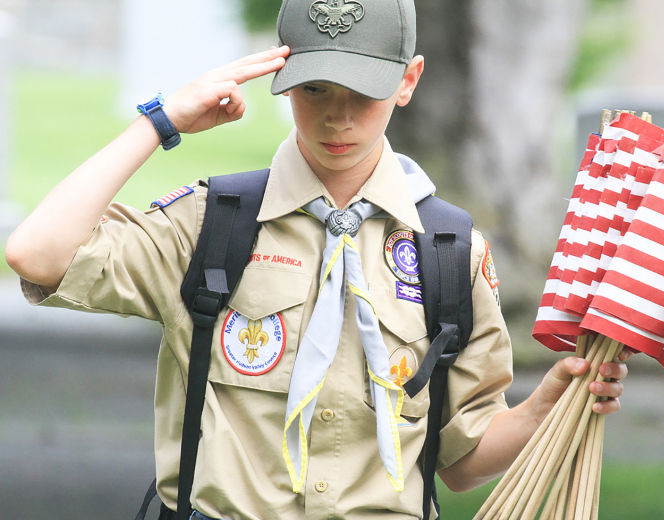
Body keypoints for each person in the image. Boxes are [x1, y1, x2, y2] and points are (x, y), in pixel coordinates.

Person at [5, 0, 628, 518]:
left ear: (408, 81)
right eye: (315, 89)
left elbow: (461, 463)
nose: (338, 116)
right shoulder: (213, 225)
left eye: (365, 92)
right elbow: (36, 253)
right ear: (281, 79)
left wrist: (546, 405)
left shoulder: (449, 251)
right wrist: (160, 121)